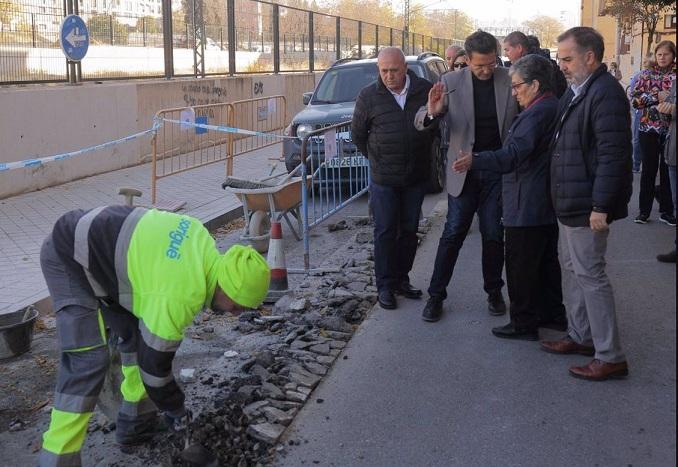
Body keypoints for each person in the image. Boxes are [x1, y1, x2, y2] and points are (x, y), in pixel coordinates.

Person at [38, 206, 271, 466]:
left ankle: (135, 426)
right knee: (87, 361)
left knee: (136, 339)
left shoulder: (202, 243)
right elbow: (155, 369)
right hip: (69, 254)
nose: (235, 314)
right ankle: (57, 457)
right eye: (237, 306)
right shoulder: (181, 292)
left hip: (106, 261)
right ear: (227, 288)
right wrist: (176, 409)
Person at [452, 54, 566, 340]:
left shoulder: (537, 113)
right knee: (544, 263)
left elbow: (513, 155)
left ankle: (523, 322)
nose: (513, 93)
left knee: (520, 265)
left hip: (526, 201)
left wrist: (475, 160)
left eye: (517, 87)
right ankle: (551, 314)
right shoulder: (550, 106)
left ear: (535, 85)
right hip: (539, 200)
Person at [541, 27, 632, 381]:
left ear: (590, 58)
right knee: (573, 268)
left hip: (586, 205)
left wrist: (601, 205)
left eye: (567, 58)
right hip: (570, 200)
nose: (561, 65)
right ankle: (581, 336)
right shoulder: (578, 91)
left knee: (590, 275)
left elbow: (613, 155)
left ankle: (610, 355)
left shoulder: (605, 94)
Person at [414, 30, 519, 322]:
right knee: (453, 233)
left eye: (490, 64)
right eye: (479, 66)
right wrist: (434, 113)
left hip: (496, 171)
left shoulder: (508, 79)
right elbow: (422, 119)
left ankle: (494, 291)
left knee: (494, 234)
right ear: (466, 60)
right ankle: (436, 295)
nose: (486, 70)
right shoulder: (450, 82)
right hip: (463, 172)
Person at [352, 47, 433, 310]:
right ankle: (385, 286)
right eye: (384, 71)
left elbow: (434, 125)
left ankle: (402, 279)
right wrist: (376, 159)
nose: (389, 76)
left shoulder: (424, 90)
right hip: (384, 178)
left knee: (409, 231)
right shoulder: (368, 96)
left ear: (404, 68)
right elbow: (358, 135)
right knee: (385, 231)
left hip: (414, 176)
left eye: (394, 70)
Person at [631, 40, 676, 226]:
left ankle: (666, 211)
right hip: (647, 128)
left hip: (671, 130)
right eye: (659, 54)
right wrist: (655, 96)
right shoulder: (646, 75)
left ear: (673, 55)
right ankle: (644, 211)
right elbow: (635, 101)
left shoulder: (675, 77)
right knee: (649, 170)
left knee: (667, 171)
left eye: (666, 54)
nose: (662, 57)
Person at [505, 31, 567, 97]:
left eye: (507, 50)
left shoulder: (535, 67)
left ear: (519, 48)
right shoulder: (539, 62)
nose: (506, 55)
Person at [657, 79, 677, 262]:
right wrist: (663, 108)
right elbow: (666, 119)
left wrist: (673, 109)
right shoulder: (675, 83)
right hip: (673, 152)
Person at [628, 54, 656, 173]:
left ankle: (636, 165)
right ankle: (637, 165)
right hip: (642, 112)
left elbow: (632, 95)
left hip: (645, 112)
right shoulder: (640, 76)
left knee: (638, 139)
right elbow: (633, 95)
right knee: (639, 139)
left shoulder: (640, 75)